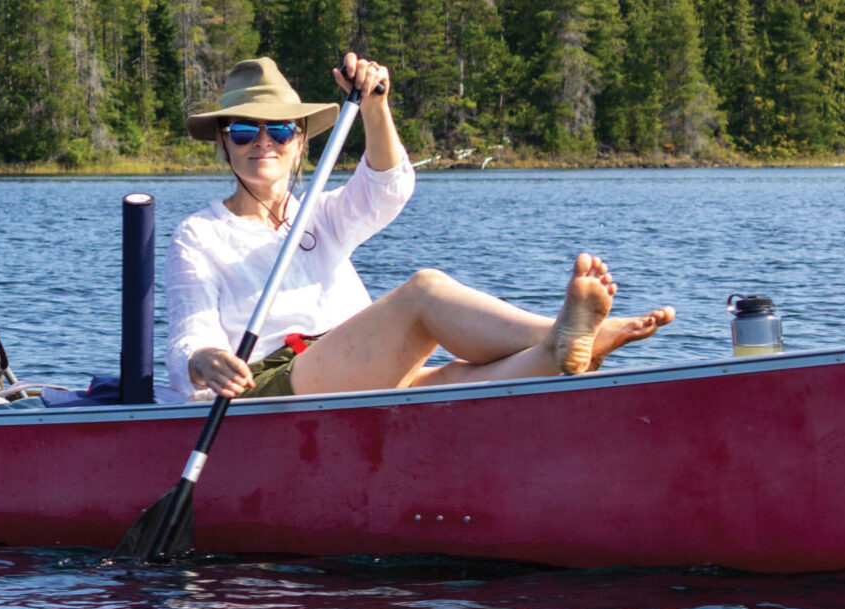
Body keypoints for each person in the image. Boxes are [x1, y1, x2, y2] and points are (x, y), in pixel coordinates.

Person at [164, 53, 676, 401]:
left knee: (460, 378)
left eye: (278, 130)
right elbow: (188, 340)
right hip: (272, 385)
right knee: (424, 291)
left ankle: (560, 345)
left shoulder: (319, 213)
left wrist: (375, 104)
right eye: (244, 131)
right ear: (224, 143)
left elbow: (387, 186)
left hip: (355, 370)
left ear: (300, 142)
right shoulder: (200, 235)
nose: (262, 142)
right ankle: (561, 330)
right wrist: (207, 359)